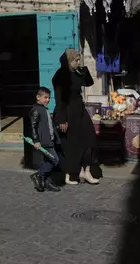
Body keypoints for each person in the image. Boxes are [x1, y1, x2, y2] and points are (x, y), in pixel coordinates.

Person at [52, 49, 100, 185]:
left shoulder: (76, 73)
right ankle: (70, 174)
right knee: (71, 144)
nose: (78, 62)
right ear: (68, 61)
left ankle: (86, 171)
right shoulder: (60, 76)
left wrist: (83, 69)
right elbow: (59, 99)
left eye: (79, 60)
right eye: (76, 60)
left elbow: (88, 83)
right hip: (67, 112)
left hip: (80, 110)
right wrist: (62, 119)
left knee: (89, 137)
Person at [29, 87, 61, 192]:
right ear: (38, 97)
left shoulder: (44, 109)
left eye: (49, 98)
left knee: (47, 161)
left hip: (49, 141)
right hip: (43, 142)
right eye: (45, 97)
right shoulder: (36, 110)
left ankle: (47, 183)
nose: (47, 100)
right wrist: (36, 140)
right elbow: (33, 127)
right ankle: (38, 175)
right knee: (55, 160)